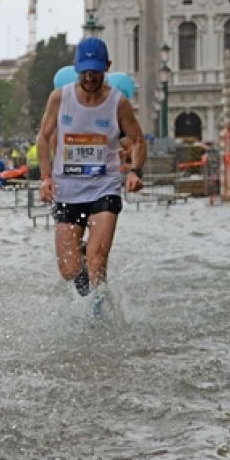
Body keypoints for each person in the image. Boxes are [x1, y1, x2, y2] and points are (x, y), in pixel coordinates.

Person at [36, 37, 146, 305]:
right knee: (69, 270)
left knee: (98, 260)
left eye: (95, 71)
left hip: (104, 187)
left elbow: (139, 140)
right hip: (67, 189)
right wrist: (46, 178)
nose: (89, 77)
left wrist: (135, 172)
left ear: (106, 67)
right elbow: (43, 137)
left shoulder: (118, 102)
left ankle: (99, 315)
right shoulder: (60, 98)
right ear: (76, 67)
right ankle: (88, 291)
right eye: (84, 70)